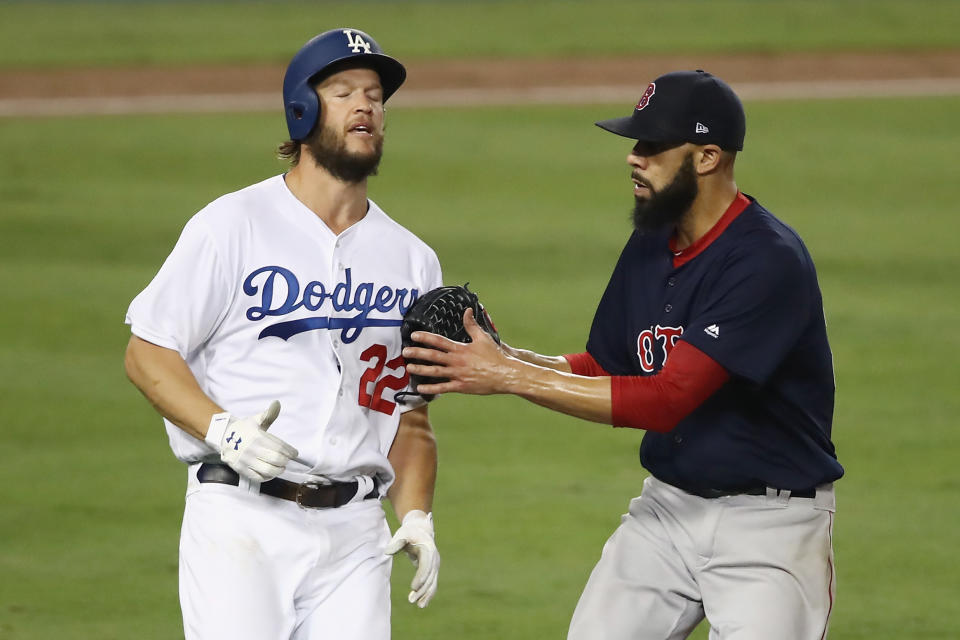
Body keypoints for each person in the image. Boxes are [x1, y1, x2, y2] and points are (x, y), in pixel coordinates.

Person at [403, 70, 844, 639]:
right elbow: (607, 364)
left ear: (708, 157)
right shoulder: (653, 240)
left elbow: (666, 400)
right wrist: (506, 357)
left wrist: (507, 374)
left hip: (771, 527)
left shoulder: (765, 260)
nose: (635, 158)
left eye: (654, 145)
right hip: (667, 513)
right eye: (636, 143)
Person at [124, 28, 442, 640]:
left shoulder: (413, 260)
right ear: (302, 109)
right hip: (242, 520)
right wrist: (222, 427)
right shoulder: (232, 226)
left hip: (355, 535)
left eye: (375, 95)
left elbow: (411, 416)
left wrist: (418, 515)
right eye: (344, 90)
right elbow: (147, 352)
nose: (366, 107)